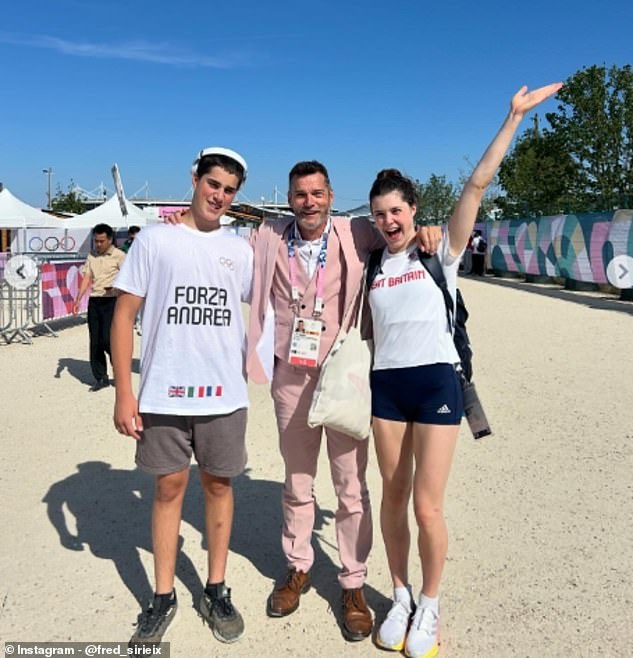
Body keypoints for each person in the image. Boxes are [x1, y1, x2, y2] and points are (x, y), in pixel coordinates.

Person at [364, 82, 562, 658]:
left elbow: (477, 183)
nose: (388, 221)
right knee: (392, 497)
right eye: (379, 214)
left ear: (414, 209)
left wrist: (513, 117)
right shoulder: (375, 257)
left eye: (396, 210)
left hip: (435, 385)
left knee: (427, 504)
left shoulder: (440, 250)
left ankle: (430, 602)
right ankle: (398, 594)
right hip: (386, 389)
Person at [246, 161, 442, 641]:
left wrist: (427, 230)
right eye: (299, 194)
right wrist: (179, 222)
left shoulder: (356, 231)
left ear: (331, 195)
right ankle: (298, 566)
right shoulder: (268, 235)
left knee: (351, 485)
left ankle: (353, 582)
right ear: (288, 198)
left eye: (316, 193)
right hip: (290, 376)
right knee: (297, 480)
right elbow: (217, 249)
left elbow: (398, 231)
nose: (308, 202)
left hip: (344, 375)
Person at [111, 147, 253, 647]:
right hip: (164, 392)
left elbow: (274, 300)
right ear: (195, 179)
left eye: (229, 189)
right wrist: (124, 393)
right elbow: (124, 316)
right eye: (212, 183)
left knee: (219, 487)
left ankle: (215, 588)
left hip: (223, 395)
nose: (218, 195)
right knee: (168, 489)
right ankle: (163, 594)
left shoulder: (241, 249)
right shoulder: (155, 240)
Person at [73, 223, 125, 390]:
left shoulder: (119, 256)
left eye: (102, 241)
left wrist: (116, 288)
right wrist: (78, 298)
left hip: (111, 300)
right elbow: (87, 277)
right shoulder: (91, 256)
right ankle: (100, 377)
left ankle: (119, 372)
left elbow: (128, 278)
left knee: (108, 340)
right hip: (95, 300)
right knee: (95, 341)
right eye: (96, 241)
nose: (99, 244)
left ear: (110, 240)